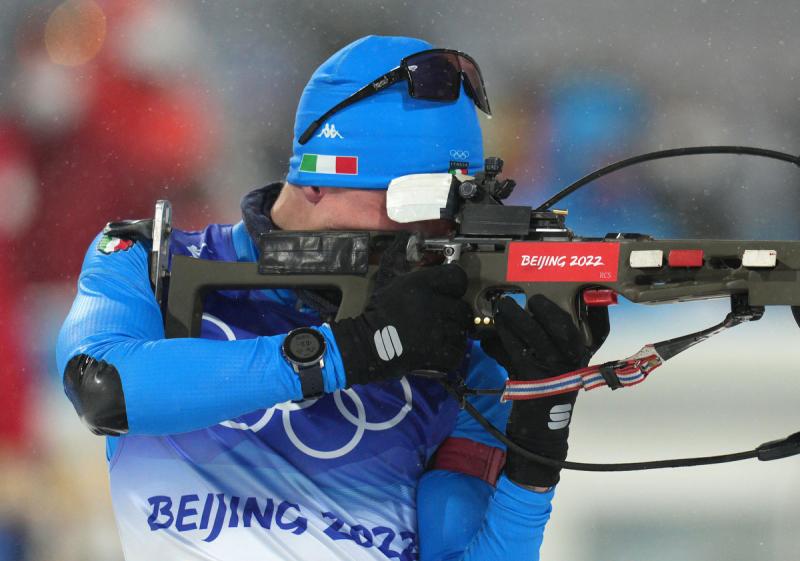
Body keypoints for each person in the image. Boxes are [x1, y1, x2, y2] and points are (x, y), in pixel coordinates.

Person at [57, 35, 608, 561]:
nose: (432, 233)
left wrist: (538, 444)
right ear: (316, 182)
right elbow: (106, 388)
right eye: (410, 202)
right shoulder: (149, 259)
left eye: (450, 212)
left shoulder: (452, 341)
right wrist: (352, 351)